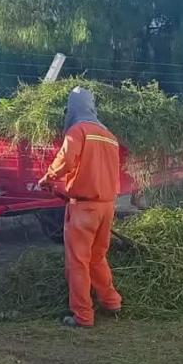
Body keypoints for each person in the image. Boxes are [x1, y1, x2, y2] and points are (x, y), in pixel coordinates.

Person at [37, 87, 123, 328]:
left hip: (84, 209)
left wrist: (49, 178)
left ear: (73, 108)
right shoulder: (109, 136)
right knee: (98, 257)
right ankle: (111, 301)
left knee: (78, 262)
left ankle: (83, 315)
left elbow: (66, 160)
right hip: (107, 207)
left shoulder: (78, 131)